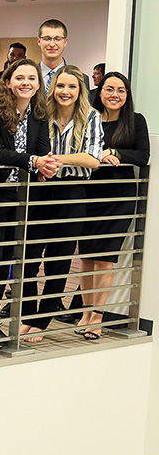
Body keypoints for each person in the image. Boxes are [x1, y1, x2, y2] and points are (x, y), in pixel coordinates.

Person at [0, 59, 60, 355]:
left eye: (31, 78)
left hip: (22, 197)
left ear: (38, 84)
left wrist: (46, 162)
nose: (26, 83)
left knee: (7, 259)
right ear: (8, 81)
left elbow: (43, 148)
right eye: (19, 77)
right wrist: (33, 162)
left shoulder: (38, 113)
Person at [20, 65, 102, 342]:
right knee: (28, 261)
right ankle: (27, 315)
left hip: (72, 194)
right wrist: (46, 163)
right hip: (41, 191)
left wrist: (56, 160)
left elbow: (92, 159)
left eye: (72, 87)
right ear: (52, 88)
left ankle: (42, 322)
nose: (65, 92)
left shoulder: (91, 117)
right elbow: (31, 152)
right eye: (60, 86)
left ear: (81, 91)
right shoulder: (41, 115)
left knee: (58, 261)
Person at [78, 72, 149, 339]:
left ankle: (97, 316)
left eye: (121, 90)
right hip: (88, 194)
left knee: (105, 259)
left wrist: (115, 153)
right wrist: (99, 154)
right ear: (100, 91)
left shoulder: (135, 121)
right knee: (85, 256)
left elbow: (143, 155)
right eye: (109, 89)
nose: (115, 95)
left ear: (127, 95)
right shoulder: (89, 119)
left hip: (118, 199)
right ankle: (85, 311)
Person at [37, 19, 90, 94]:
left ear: (65, 42)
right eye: (47, 39)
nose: (52, 44)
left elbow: (83, 105)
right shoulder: (28, 76)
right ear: (39, 41)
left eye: (57, 39)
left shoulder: (81, 78)